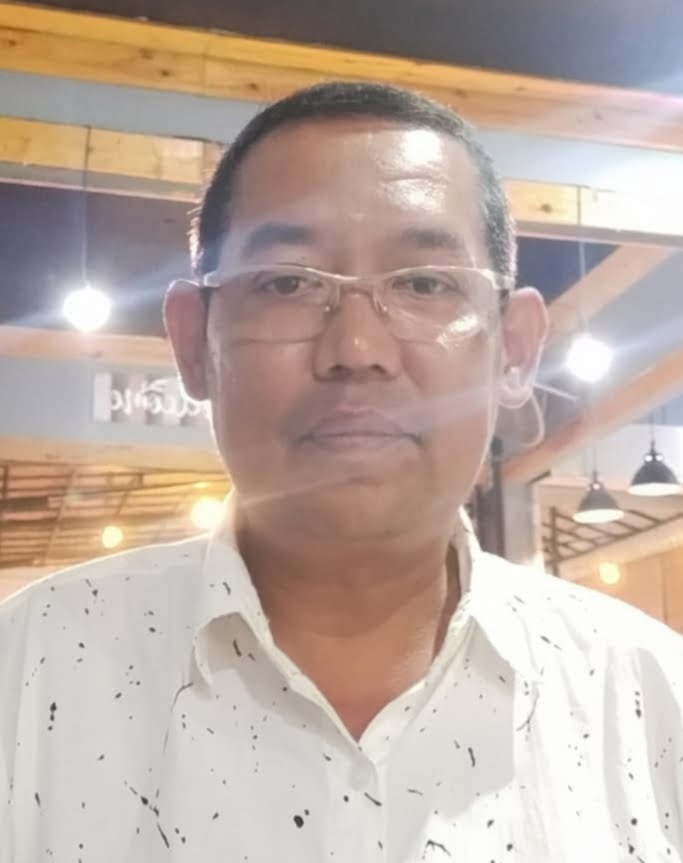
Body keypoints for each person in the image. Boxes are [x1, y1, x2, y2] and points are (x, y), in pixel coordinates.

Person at [1, 81, 681, 862]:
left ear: (515, 347)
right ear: (193, 342)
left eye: (424, 283)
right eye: (287, 282)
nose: (357, 349)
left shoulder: (647, 697)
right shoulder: (28, 673)